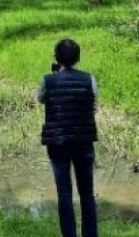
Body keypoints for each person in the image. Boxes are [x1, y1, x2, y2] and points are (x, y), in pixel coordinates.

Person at [38, 38, 99, 237]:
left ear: (56, 57)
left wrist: (56, 76)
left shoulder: (47, 80)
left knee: (64, 194)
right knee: (87, 193)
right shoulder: (89, 79)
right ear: (78, 58)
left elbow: (40, 99)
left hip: (57, 142)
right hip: (84, 141)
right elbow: (94, 108)